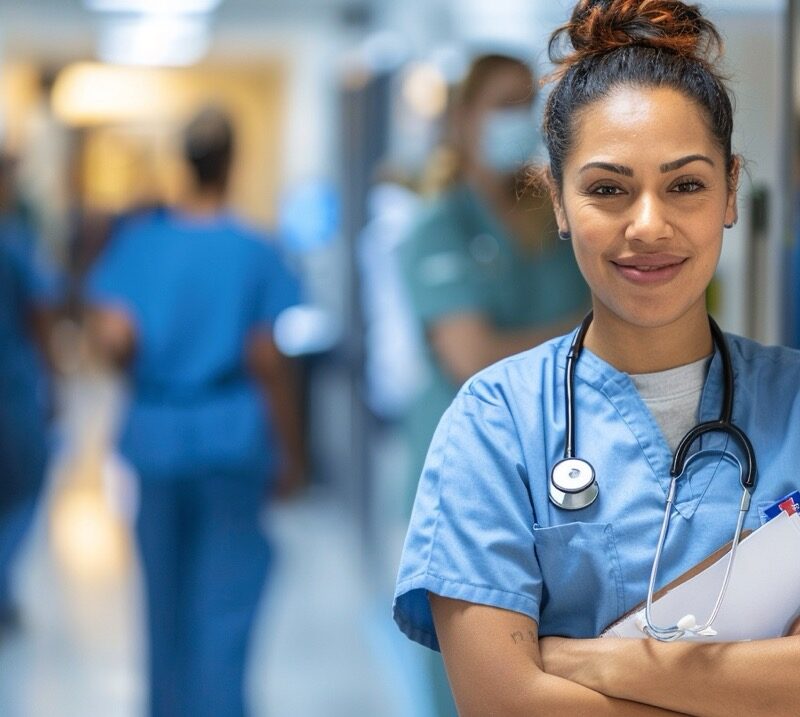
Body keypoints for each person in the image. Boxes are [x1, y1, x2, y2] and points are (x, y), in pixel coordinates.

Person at [393, 1, 800, 715]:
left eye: (687, 184)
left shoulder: (793, 402)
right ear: (556, 198)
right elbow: (502, 702)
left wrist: (589, 661)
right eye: (608, 188)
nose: (649, 224)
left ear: (732, 189)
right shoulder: (494, 425)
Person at [84, 107, 304, 717]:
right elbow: (266, 359)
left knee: (163, 599)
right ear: (233, 163)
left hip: (154, 436)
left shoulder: (140, 243)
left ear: (184, 161)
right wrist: (291, 451)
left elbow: (113, 340)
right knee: (226, 602)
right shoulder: (254, 249)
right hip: (232, 436)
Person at [397, 53, 589, 717]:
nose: (516, 120)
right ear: (462, 119)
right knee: (467, 685)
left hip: (563, 478)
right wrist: (595, 331)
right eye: (500, 103)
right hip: (465, 484)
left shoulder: (563, 219)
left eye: (527, 107)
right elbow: (471, 356)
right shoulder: (437, 229)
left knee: (553, 672)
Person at [0, 153, 59, 635]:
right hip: (11, 394)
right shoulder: (13, 245)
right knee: (24, 488)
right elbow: (40, 318)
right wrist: (55, 380)